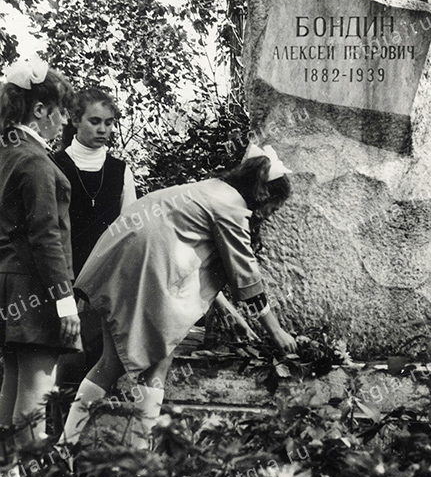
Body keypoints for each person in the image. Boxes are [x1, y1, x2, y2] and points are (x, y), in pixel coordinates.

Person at [60, 144, 297, 449]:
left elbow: (201, 257)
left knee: (119, 360)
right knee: (152, 359)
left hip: (125, 254)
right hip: (147, 264)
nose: (269, 215)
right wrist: (276, 332)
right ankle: (128, 452)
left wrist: (229, 312)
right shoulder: (233, 206)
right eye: (273, 207)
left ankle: (71, 447)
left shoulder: (214, 189)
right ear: (263, 193)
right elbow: (245, 274)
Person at [0, 57, 81, 444]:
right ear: (39, 111)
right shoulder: (34, 162)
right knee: (35, 395)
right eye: (61, 112)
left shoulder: (6, 154)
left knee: (12, 387)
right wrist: (64, 301)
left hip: (9, 286)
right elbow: (46, 236)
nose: (65, 121)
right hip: (36, 290)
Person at [53, 88, 137, 387]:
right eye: (95, 121)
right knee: (65, 362)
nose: (104, 129)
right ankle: (55, 429)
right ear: (75, 120)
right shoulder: (55, 166)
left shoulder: (120, 171)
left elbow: (128, 235)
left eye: (110, 122)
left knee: (102, 364)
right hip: (63, 280)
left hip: (106, 283)